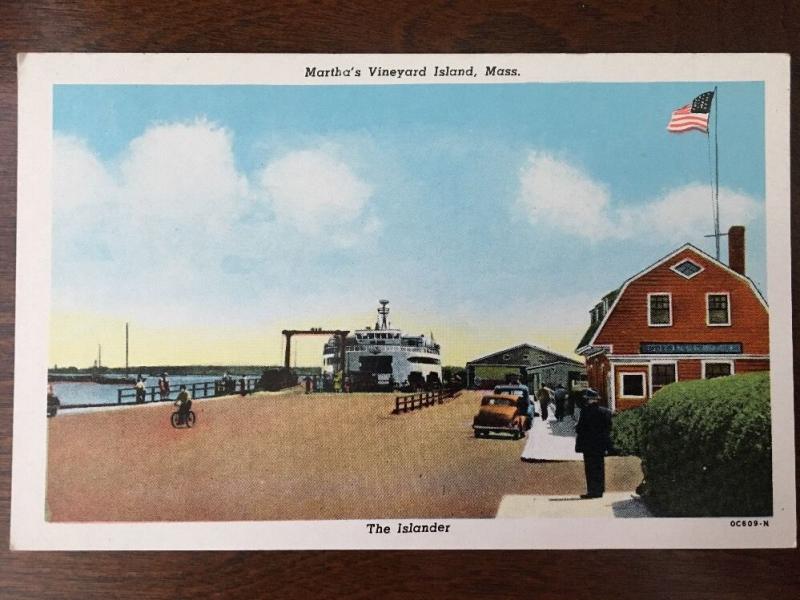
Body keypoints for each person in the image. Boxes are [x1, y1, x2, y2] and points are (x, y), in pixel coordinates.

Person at [574, 388, 613, 499]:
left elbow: (580, 429)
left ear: (589, 400)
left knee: (590, 468)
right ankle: (600, 490)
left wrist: (577, 427)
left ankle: (592, 491)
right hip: (600, 444)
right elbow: (609, 428)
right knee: (600, 467)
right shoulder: (606, 412)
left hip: (588, 444)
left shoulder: (585, 412)